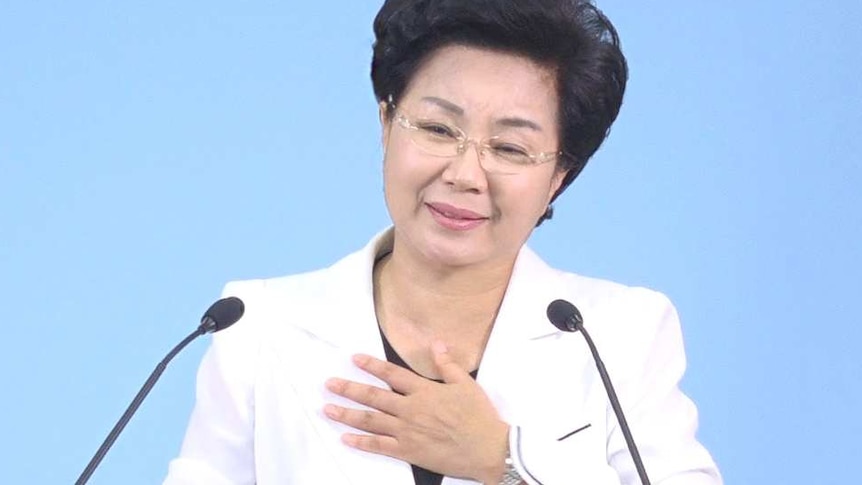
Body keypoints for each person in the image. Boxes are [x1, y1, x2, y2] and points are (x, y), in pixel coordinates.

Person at [163, 0, 722, 483]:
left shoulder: (620, 333)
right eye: (436, 130)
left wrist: (503, 461)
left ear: (559, 177)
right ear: (386, 124)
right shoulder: (257, 324)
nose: (466, 173)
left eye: (509, 148)